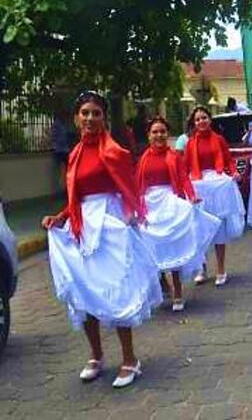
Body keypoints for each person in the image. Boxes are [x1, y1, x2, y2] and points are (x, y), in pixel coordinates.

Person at [41, 91, 162, 388]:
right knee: (85, 291)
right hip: (82, 226)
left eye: (96, 113)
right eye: (85, 113)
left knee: (114, 290)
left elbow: (128, 188)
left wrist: (132, 213)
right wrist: (60, 217)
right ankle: (96, 355)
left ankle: (130, 359)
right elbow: (76, 198)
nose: (90, 118)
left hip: (109, 226)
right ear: (76, 118)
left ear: (104, 118)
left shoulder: (115, 152)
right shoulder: (74, 155)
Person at [136, 116, 221, 312]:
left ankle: (177, 291)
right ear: (148, 136)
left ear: (168, 135)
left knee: (172, 246)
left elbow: (183, 179)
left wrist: (191, 196)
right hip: (150, 205)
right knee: (151, 247)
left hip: (170, 202)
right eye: (154, 132)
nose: (159, 135)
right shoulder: (143, 159)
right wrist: (136, 207)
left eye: (162, 132)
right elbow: (138, 185)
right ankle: (161, 285)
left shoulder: (173, 156)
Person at [184, 106, 246, 287]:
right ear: (193, 124)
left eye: (204, 118)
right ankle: (201, 268)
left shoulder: (218, 140)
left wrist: (234, 173)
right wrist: (186, 190)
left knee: (219, 229)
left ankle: (221, 268)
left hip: (217, 185)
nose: (201, 122)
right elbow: (185, 169)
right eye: (197, 119)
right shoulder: (190, 143)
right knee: (199, 229)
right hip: (198, 185)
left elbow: (228, 161)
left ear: (209, 120)